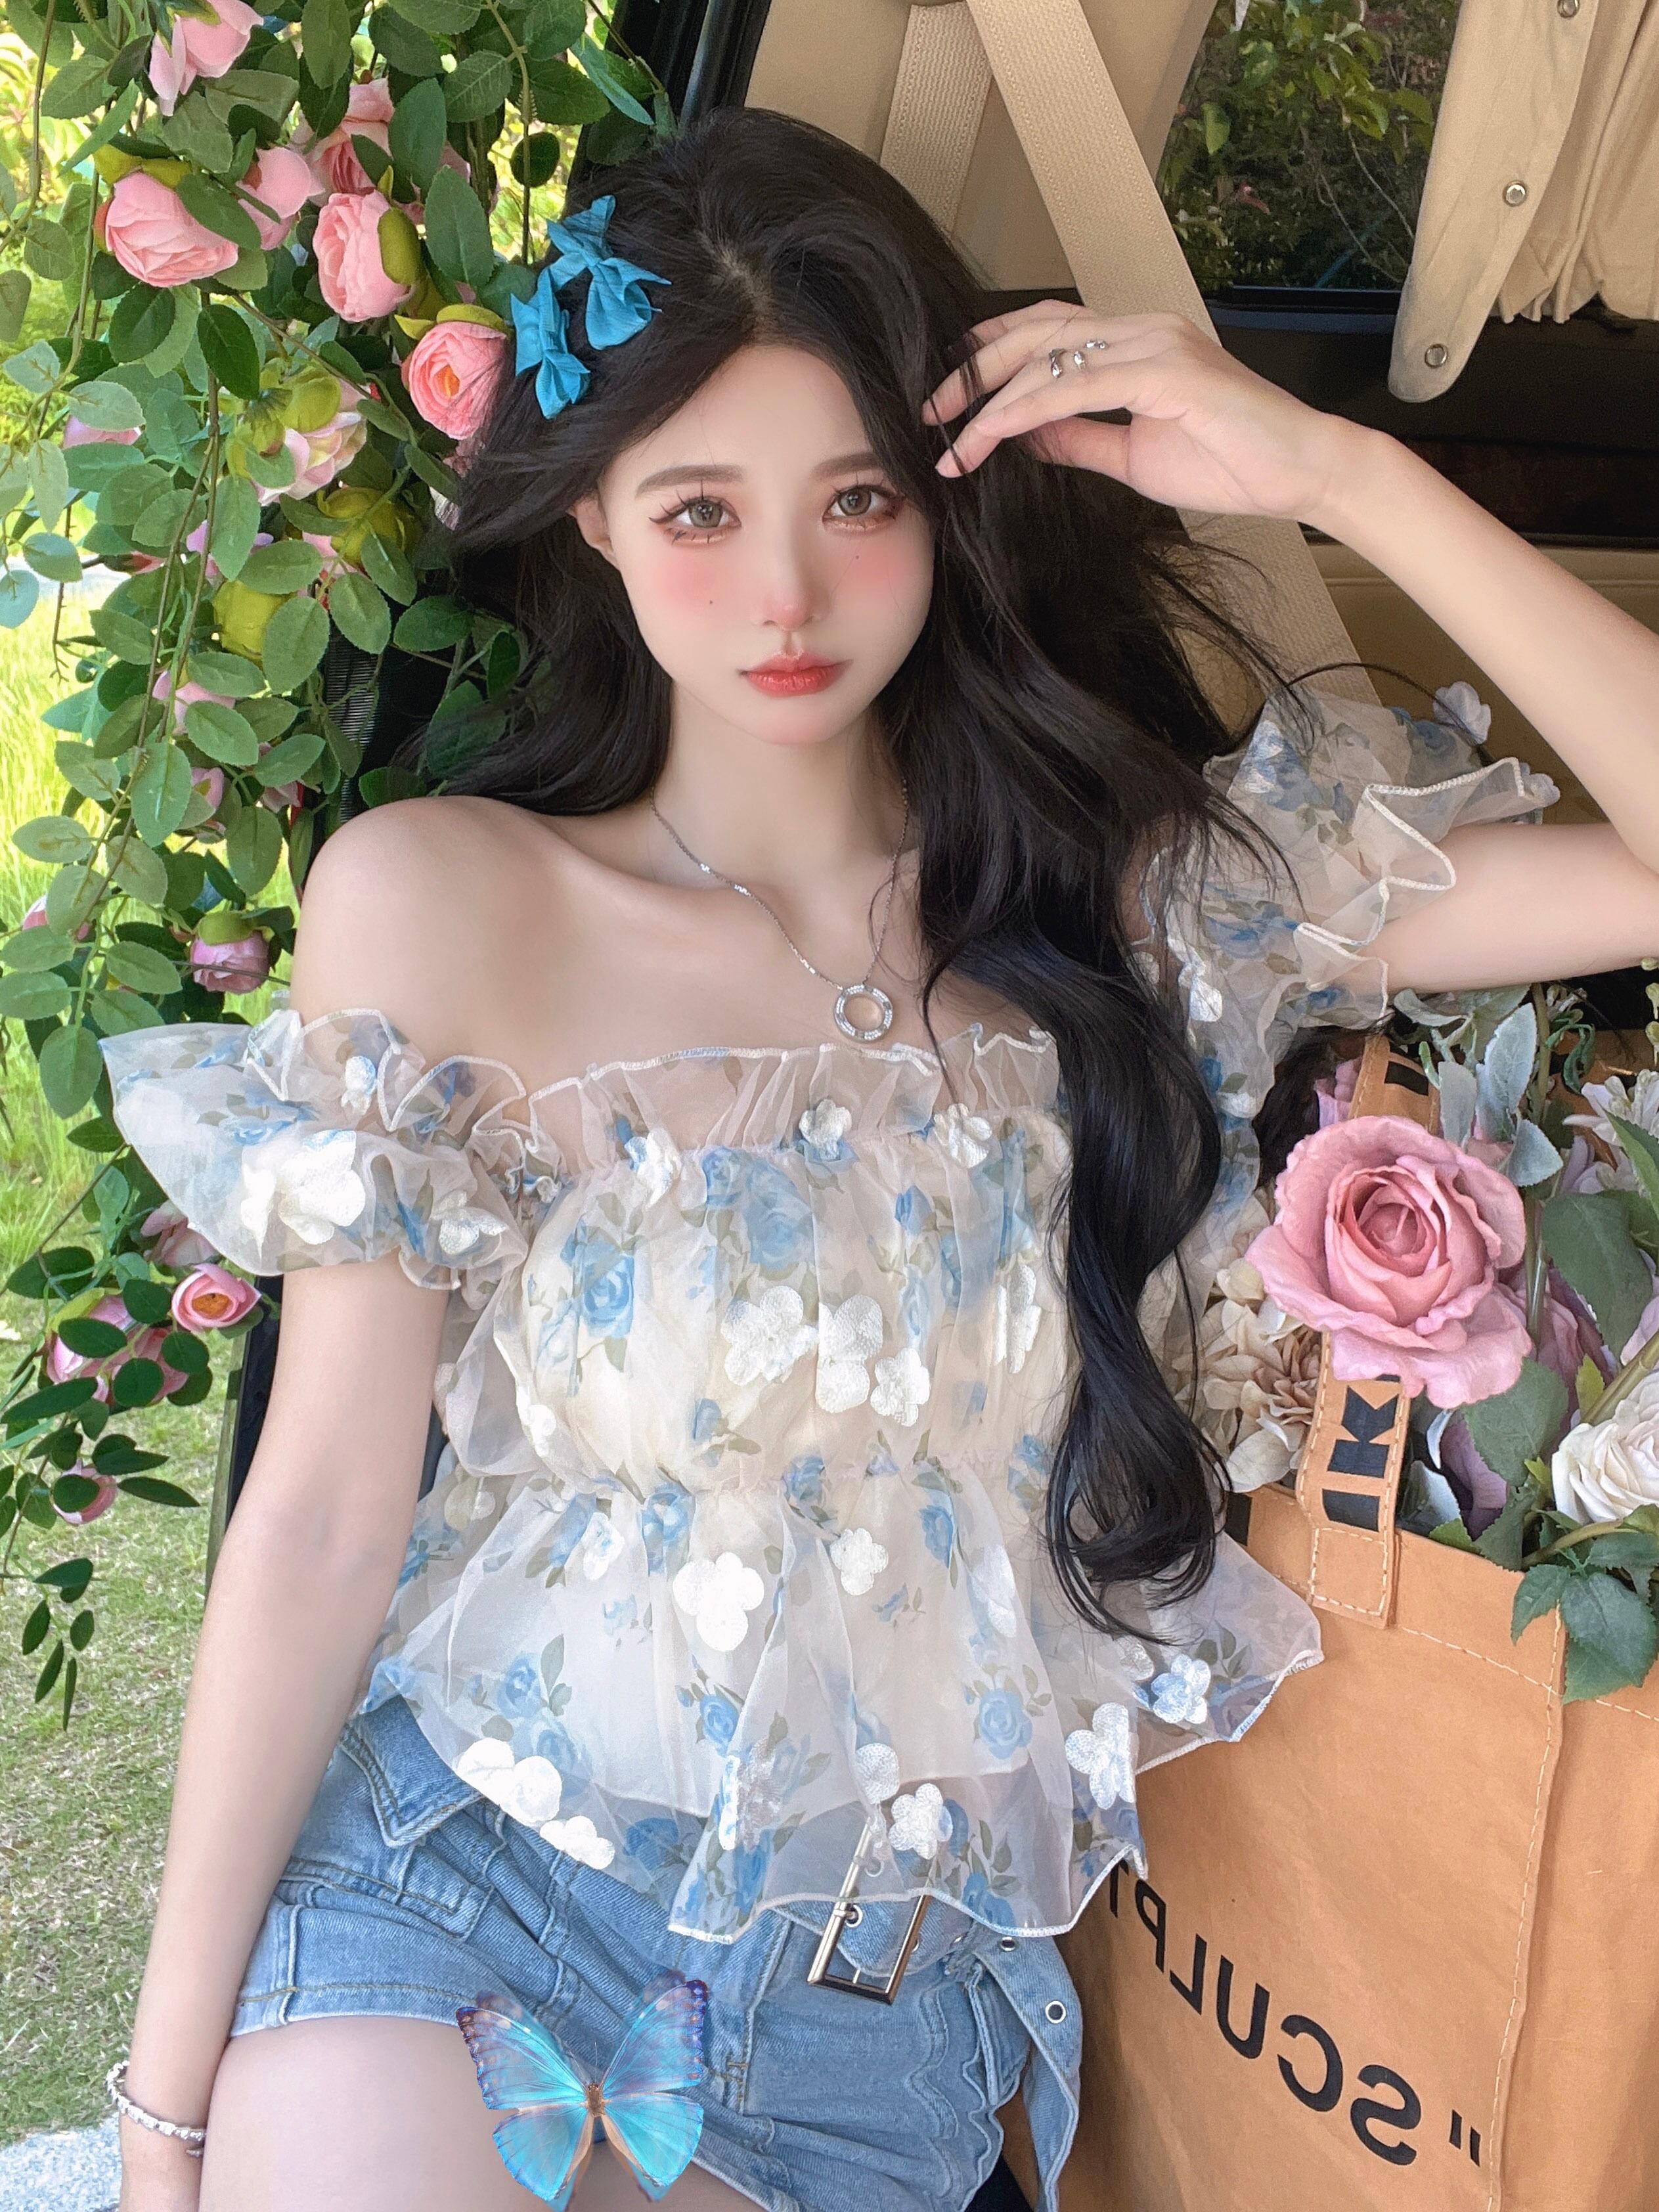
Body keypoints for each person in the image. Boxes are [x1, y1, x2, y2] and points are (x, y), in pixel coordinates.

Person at [104, 104, 1659, 2212]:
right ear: (592, 518)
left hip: (887, 2030)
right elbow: (318, 1515)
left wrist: (1336, 471)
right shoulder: (448, 901)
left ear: (946, 504)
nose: (787, 594)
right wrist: (167, 2104)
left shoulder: (1139, 911)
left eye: (856, 501)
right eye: (700, 509)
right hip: (477, 1911)